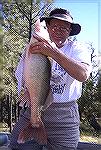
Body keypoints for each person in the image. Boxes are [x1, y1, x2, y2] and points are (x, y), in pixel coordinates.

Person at [9, 8, 91, 150]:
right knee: (17, 146)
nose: (59, 30)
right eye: (54, 26)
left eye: (64, 28)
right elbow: (23, 77)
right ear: (47, 27)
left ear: (70, 31)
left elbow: (83, 75)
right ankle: (34, 124)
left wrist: (52, 52)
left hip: (65, 117)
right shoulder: (31, 47)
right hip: (32, 110)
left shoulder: (78, 48)